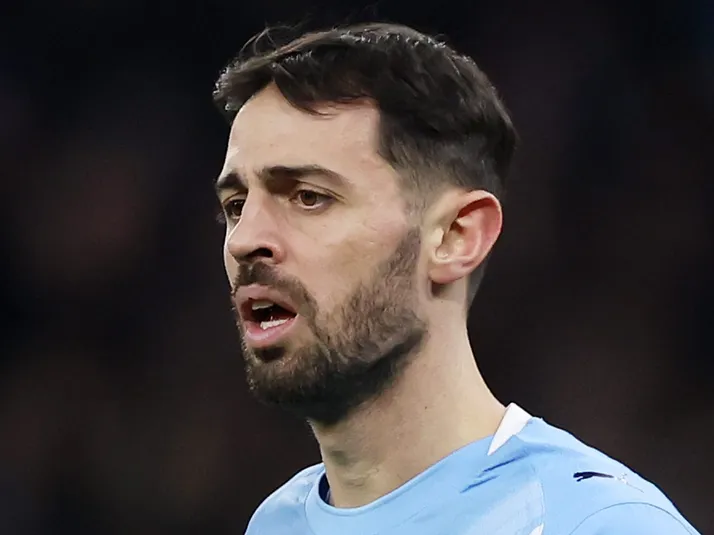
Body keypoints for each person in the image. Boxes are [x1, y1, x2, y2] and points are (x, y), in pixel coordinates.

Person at [212, 22, 700, 535]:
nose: (244, 240)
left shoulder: (595, 522)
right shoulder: (276, 522)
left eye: (309, 197)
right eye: (236, 206)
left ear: (455, 237)